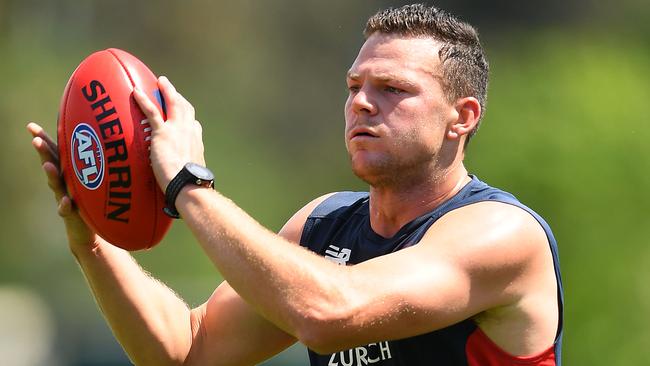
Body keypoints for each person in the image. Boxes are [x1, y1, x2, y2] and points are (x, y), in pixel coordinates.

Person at [28, 3, 563, 366]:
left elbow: (331, 312)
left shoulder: (501, 234)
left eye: (394, 88)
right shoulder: (324, 225)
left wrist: (188, 185)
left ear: (462, 117)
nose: (361, 102)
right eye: (354, 85)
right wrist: (93, 241)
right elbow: (187, 350)